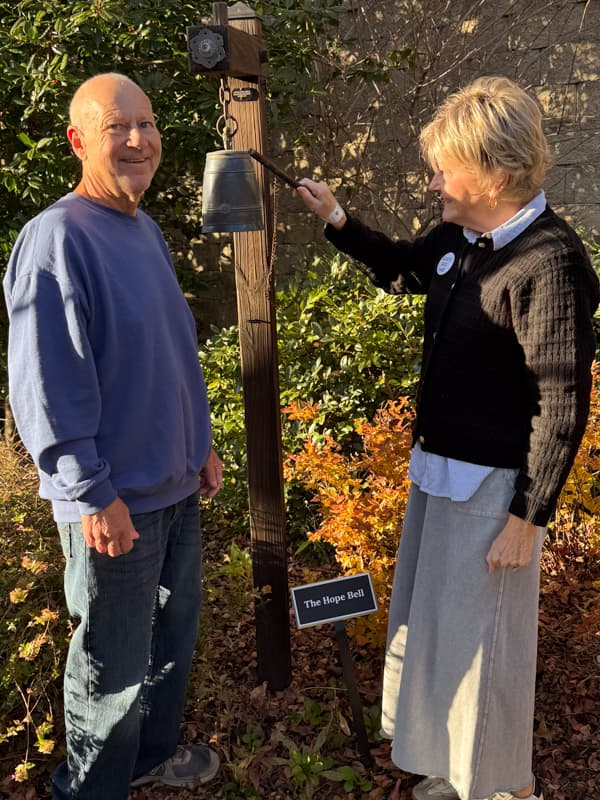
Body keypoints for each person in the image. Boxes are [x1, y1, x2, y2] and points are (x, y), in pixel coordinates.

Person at [296, 76, 599, 800]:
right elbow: (404, 269)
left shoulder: (549, 263)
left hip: (493, 493)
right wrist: (340, 220)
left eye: (444, 167)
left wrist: (529, 520)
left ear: (493, 172)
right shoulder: (462, 239)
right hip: (440, 474)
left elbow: (562, 405)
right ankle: (458, 774)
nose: (433, 181)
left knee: (485, 652)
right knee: (440, 640)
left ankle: (502, 789)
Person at [3, 73, 223, 800]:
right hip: (112, 503)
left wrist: (201, 446)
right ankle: (91, 790)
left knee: (167, 649)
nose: (139, 140)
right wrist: (92, 495)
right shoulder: (56, 239)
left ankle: (148, 761)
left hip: (173, 487)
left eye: (147, 123)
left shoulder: (143, 228)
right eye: (116, 127)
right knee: (110, 667)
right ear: (78, 141)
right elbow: (47, 387)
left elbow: (169, 352)